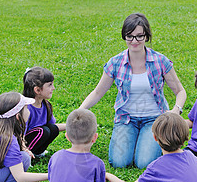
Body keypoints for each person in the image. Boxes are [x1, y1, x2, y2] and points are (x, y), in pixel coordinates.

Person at [79, 13, 187, 169]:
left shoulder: (159, 61)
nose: (134, 41)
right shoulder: (116, 63)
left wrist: (176, 110)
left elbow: (180, 91)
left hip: (154, 120)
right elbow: (97, 93)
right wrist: (80, 110)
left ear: (146, 37)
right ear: (124, 36)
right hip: (126, 119)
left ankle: (144, 141)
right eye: (129, 37)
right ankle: (136, 140)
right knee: (119, 162)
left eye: (139, 36)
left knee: (144, 163)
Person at [23, 66, 66, 158]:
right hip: (21, 143)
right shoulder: (26, 109)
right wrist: (24, 150)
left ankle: (38, 152)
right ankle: (26, 155)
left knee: (52, 129)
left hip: (37, 136)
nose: (53, 88)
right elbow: (19, 135)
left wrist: (72, 125)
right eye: (50, 85)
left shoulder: (46, 105)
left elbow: (54, 126)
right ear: (37, 90)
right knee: (44, 131)